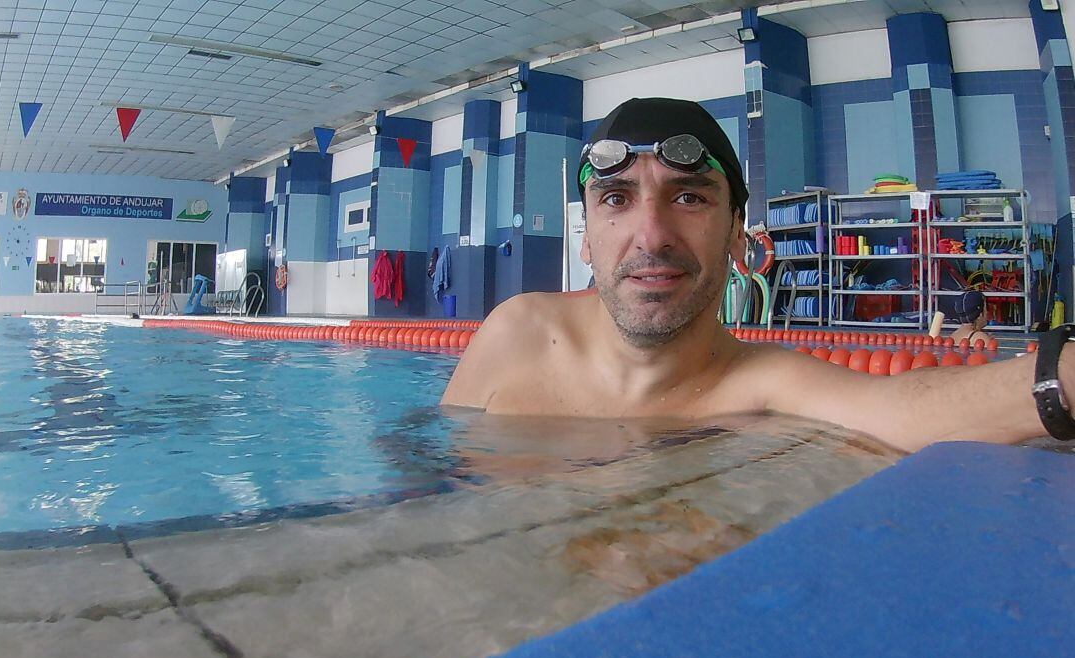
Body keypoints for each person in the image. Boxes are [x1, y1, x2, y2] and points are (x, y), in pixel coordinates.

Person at [442, 97, 1071, 451]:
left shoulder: (765, 383)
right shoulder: (515, 334)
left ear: (738, 229)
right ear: (587, 236)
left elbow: (902, 406)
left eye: (689, 197)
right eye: (616, 199)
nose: (652, 234)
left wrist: (1063, 375)